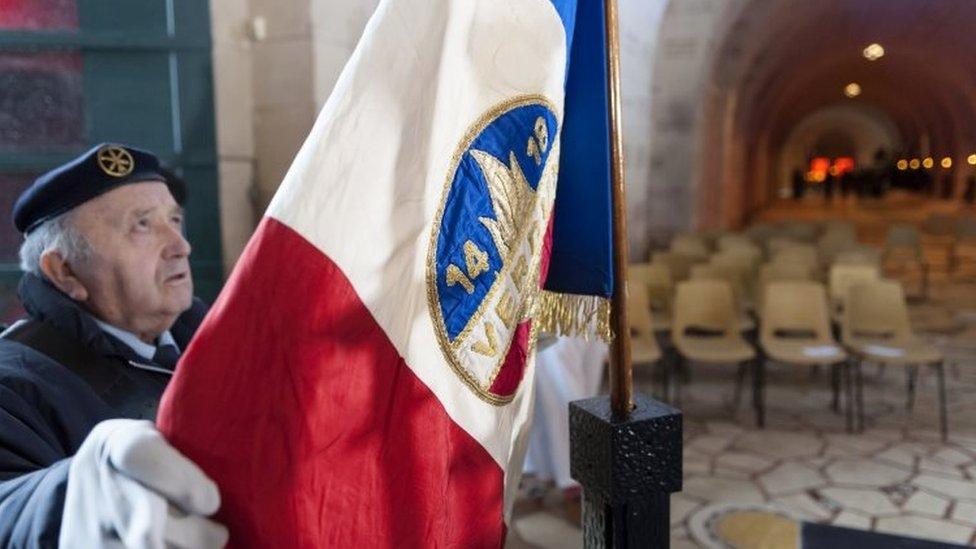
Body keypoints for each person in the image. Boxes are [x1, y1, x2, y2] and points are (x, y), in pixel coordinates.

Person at [0, 144, 227, 548]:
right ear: (64, 270)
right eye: (142, 225)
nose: (180, 245)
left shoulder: (227, 341)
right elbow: (8, 510)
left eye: (174, 220)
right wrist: (73, 500)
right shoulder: (11, 385)